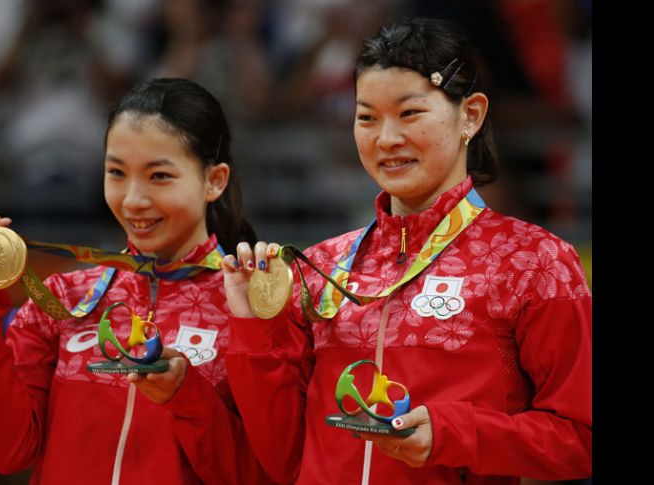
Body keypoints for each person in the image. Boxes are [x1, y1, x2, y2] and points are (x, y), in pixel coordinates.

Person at [222, 18, 591, 484]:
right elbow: (285, 459)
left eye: (409, 113)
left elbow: (580, 437)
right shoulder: (320, 269)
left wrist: (450, 433)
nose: (386, 138)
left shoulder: (534, 262)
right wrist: (254, 328)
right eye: (366, 116)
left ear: (471, 115)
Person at [0, 78, 274, 484]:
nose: (133, 199)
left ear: (214, 180)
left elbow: (261, 474)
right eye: (117, 172)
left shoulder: (250, 305)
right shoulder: (62, 301)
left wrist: (185, 396)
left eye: (159, 176)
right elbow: (7, 450)